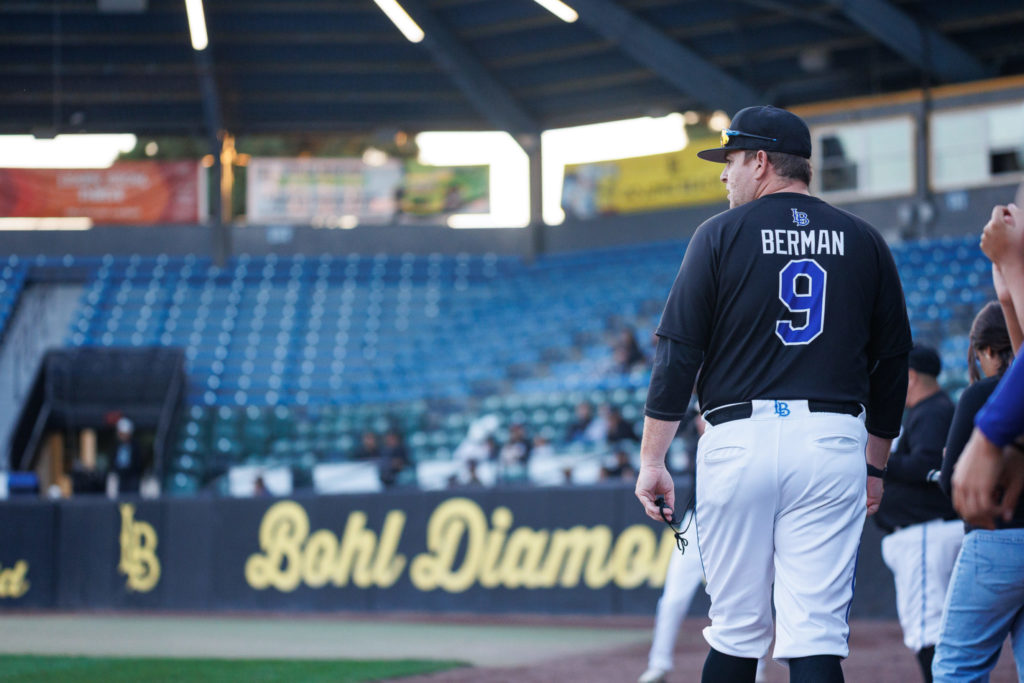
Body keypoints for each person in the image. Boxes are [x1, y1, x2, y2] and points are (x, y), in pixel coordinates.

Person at [634, 105, 912, 683]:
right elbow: (892, 363)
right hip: (834, 441)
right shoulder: (864, 240)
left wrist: (652, 460)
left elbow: (678, 351)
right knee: (814, 635)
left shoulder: (717, 234)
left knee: (736, 632)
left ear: (760, 161)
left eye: (730, 160)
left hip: (738, 439)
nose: (723, 174)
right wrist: (875, 467)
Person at [932, 204, 1024, 681]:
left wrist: (987, 439)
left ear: (984, 353)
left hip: (997, 540)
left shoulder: (980, 395)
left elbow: (953, 484)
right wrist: (1007, 286)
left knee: (956, 670)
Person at [872, 345, 961, 682]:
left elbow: (928, 465)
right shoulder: (932, 410)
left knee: (928, 629)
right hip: (927, 533)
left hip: (927, 532)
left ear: (909, 377)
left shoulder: (933, 411)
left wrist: (877, 459)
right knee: (931, 627)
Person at [110, 417, 144, 496]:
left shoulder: (135, 446)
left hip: (132, 476)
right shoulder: (116, 446)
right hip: (120, 477)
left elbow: (139, 462)